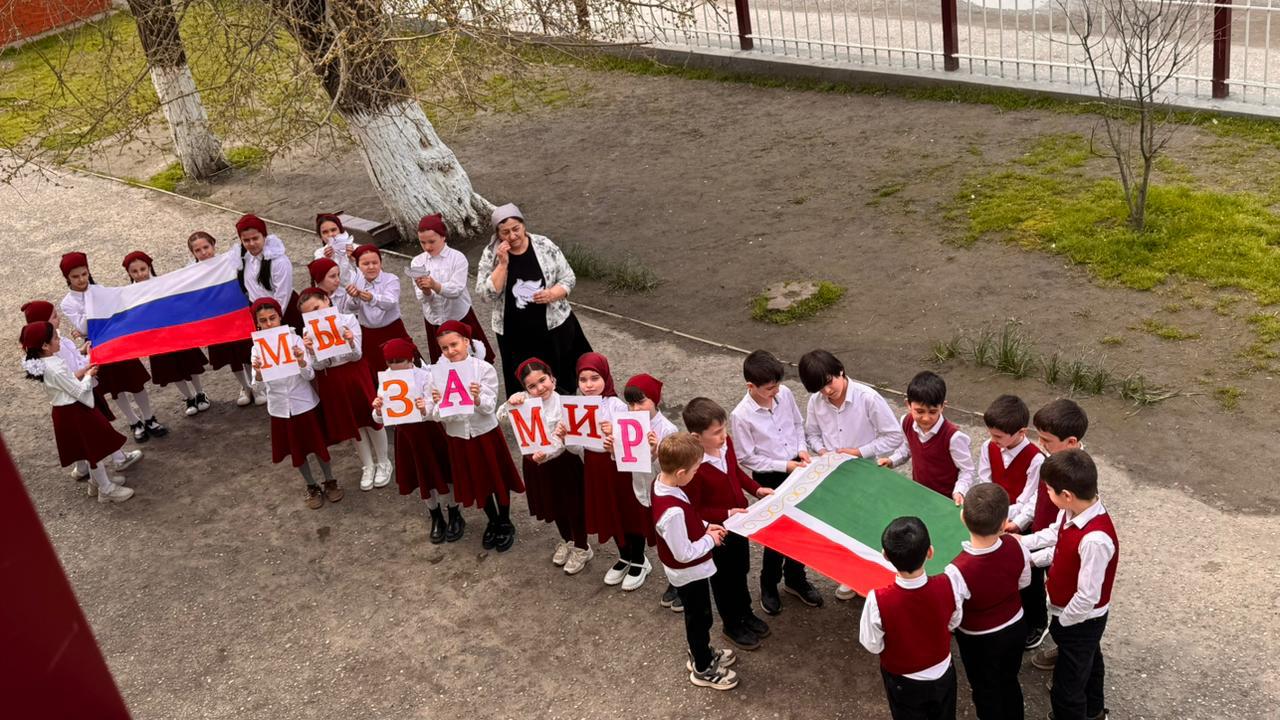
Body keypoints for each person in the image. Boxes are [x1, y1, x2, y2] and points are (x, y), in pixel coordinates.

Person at [1018, 450, 1117, 720]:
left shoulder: (1095, 540)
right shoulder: (1072, 511)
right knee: (1089, 662)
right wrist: (1024, 547)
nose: (1047, 494)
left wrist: (1063, 623)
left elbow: (1087, 597)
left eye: (1049, 490)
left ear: (1066, 495)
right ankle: (1095, 711)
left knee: (1067, 687)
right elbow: (1057, 540)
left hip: (1080, 620)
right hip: (1071, 614)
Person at [799, 349, 904, 600]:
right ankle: (852, 576)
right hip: (834, 474)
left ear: (840, 371)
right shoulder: (816, 402)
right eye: (820, 388)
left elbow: (893, 436)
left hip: (867, 472)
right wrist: (823, 451)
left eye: (829, 383)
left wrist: (859, 452)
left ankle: (880, 579)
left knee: (873, 523)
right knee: (843, 525)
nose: (827, 391)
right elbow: (811, 434)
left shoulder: (868, 398)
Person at [729, 350, 823, 616]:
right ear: (751, 386)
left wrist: (801, 449)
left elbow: (797, 424)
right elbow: (747, 457)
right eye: (769, 388)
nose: (776, 391)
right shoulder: (741, 415)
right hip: (771, 475)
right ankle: (769, 585)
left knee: (801, 527)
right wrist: (785, 465)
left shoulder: (786, 395)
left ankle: (796, 578)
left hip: (797, 465)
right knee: (778, 534)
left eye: (777, 385)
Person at [682, 397, 774, 651]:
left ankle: (745, 612)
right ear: (696, 437)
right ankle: (731, 624)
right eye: (716, 432)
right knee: (724, 579)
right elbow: (694, 509)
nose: (724, 436)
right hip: (718, 532)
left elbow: (736, 473)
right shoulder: (694, 468)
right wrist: (726, 513)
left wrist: (756, 489)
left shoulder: (726, 444)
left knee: (741, 569)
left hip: (739, 523)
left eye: (724, 429)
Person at [475, 203, 592, 396]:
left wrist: (552, 294)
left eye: (516, 229)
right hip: (515, 335)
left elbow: (568, 278)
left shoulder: (544, 245)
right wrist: (502, 264)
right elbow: (485, 295)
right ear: (498, 234)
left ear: (524, 225)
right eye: (505, 232)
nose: (512, 236)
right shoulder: (492, 254)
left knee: (562, 378)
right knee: (525, 384)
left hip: (553, 328)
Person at [651, 431, 738, 691]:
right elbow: (684, 552)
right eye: (695, 469)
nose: (697, 473)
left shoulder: (664, 485)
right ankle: (703, 667)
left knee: (699, 617)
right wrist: (710, 539)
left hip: (688, 571)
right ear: (681, 473)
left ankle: (701, 651)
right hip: (689, 573)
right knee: (699, 618)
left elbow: (688, 518)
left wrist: (705, 524)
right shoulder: (672, 511)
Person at [20, 300, 142, 482]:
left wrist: (82, 353)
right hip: (82, 393)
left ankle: (84, 467)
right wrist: (88, 367)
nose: (58, 318)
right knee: (98, 429)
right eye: (54, 316)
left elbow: (70, 366)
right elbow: (70, 377)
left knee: (84, 436)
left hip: (76, 392)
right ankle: (114, 466)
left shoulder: (51, 345)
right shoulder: (55, 350)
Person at [428, 320, 524, 551]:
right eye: (444, 348)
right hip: (459, 437)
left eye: (454, 344)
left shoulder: (483, 369)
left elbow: (489, 407)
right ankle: (492, 520)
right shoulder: (437, 374)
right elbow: (435, 414)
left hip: (485, 433)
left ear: (466, 342)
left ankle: (505, 520)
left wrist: (478, 398)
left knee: (497, 477)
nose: (450, 351)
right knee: (479, 479)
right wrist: (440, 403)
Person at [561, 352, 653, 590]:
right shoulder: (576, 407)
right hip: (594, 468)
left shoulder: (618, 406)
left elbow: (634, 443)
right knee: (608, 512)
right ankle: (624, 556)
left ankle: (639, 559)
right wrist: (566, 437)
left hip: (619, 469)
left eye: (595, 378)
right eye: (583, 380)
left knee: (628, 512)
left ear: (606, 377)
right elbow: (577, 448)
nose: (589, 385)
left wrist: (615, 439)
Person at [859, 516, 962, 720]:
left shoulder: (878, 599)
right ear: (930, 552)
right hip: (943, 672)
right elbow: (954, 621)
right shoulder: (949, 584)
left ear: (885, 555)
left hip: (903, 680)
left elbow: (872, 644)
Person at [58, 251, 167, 443]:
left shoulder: (101, 290)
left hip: (117, 341)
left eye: (84, 274)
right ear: (67, 278)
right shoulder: (68, 303)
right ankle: (134, 421)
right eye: (75, 276)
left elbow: (118, 310)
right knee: (116, 389)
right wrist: (92, 305)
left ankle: (149, 418)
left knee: (136, 383)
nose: (81, 279)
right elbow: (83, 327)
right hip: (99, 348)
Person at [944, 484, 1031, 720]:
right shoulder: (1017, 545)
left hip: (978, 638)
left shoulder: (956, 570)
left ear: (963, 518)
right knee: (1009, 680)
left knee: (985, 688)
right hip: (1015, 625)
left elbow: (954, 615)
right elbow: (1023, 581)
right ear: (1004, 522)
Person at [499, 358, 590, 573]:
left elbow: (560, 441)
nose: (539, 388)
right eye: (532, 386)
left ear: (553, 379)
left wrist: (545, 456)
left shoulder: (565, 405)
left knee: (572, 505)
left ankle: (582, 547)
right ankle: (568, 540)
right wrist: (510, 402)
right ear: (525, 388)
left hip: (563, 463)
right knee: (554, 504)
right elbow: (501, 417)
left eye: (542, 380)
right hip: (537, 463)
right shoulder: (525, 402)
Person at [298, 286, 392, 491]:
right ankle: (368, 465)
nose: (315, 314)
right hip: (331, 379)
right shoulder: (307, 332)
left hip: (355, 374)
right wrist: (312, 352)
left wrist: (349, 341)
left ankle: (384, 461)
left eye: (317, 307)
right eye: (308, 313)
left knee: (371, 418)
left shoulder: (348, 320)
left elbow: (357, 355)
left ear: (326, 300)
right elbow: (319, 366)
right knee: (353, 423)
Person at [249, 298, 338, 509]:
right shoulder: (256, 349)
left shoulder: (295, 340)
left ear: (280, 317)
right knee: (298, 451)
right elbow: (258, 388)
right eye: (263, 320)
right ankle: (311, 485)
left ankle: (330, 480)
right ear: (257, 324)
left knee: (318, 445)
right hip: (280, 407)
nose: (269, 324)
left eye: (272, 318)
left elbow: (309, 375)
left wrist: (301, 361)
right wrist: (259, 373)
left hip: (304, 402)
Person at [976, 394, 1048, 650]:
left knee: (1031, 576)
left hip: (1020, 524)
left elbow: (1031, 500)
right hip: (996, 517)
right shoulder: (988, 447)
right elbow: (984, 480)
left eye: (998, 436)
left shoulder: (1036, 459)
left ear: (1021, 432)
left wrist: (1015, 522)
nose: (993, 440)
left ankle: (1038, 622)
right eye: (991, 434)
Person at [373, 338, 461, 544]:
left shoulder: (425, 376)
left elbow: (435, 408)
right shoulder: (385, 380)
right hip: (407, 437)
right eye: (391, 362)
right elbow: (380, 418)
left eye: (400, 361)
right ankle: (435, 515)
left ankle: (454, 512)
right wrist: (378, 410)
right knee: (423, 477)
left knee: (444, 473)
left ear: (411, 359)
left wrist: (425, 408)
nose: (395, 366)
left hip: (429, 432)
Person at [1024, 399, 1090, 672]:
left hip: (1061, 548)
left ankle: (1065, 650)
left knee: (1065, 600)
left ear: (1071, 442)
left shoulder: (1080, 477)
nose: (1040, 444)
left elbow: (1066, 533)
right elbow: (1036, 498)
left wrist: (1035, 551)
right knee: (1042, 586)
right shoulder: (1052, 460)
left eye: (1046, 440)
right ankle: (1047, 629)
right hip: (1045, 534)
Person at [122, 251, 211, 417]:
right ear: (129, 273)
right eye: (134, 271)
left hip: (176, 333)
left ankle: (200, 392)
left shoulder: (162, 283)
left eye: (143, 269)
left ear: (149, 267)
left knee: (189, 364)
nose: (140, 274)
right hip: (156, 339)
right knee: (172, 370)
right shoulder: (129, 293)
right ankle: (189, 397)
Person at [621, 373, 682, 609]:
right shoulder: (627, 424)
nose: (636, 409)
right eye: (631, 404)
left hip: (664, 495)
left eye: (641, 402)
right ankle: (672, 578)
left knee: (671, 537)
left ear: (655, 400)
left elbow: (673, 471)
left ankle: (680, 582)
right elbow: (624, 459)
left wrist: (657, 454)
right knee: (657, 537)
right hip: (641, 491)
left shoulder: (667, 429)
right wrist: (613, 448)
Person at [880, 371, 976, 503]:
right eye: (919, 411)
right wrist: (891, 460)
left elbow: (967, 470)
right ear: (908, 404)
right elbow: (907, 449)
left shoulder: (953, 437)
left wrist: (959, 491)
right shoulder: (906, 422)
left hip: (945, 499)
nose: (926, 418)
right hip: (919, 491)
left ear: (942, 407)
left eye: (932, 412)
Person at [411, 213, 494, 364]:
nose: (427, 247)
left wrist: (435, 285)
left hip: (459, 317)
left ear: (443, 237)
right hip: (435, 320)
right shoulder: (417, 262)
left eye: (432, 241)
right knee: (444, 363)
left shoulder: (457, 258)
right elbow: (422, 298)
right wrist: (425, 290)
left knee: (475, 360)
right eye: (422, 242)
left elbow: (456, 290)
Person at [188, 232, 256, 407]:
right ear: (193, 253)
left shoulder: (228, 262)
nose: (204, 252)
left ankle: (256, 385)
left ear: (213, 245)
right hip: (216, 320)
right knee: (232, 357)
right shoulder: (191, 273)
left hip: (236, 315)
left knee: (246, 352)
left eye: (206, 247)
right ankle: (244, 387)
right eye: (198, 250)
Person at [346, 244, 420, 382]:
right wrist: (354, 297)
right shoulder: (355, 281)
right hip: (369, 334)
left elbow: (391, 302)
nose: (371, 267)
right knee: (375, 369)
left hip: (392, 330)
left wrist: (373, 298)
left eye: (375, 262)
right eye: (365, 264)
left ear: (381, 263)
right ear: (358, 266)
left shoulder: (391, 279)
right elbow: (351, 308)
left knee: (404, 363)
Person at [236, 214, 303, 332]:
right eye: (246, 240)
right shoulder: (244, 259)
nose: (251, 243)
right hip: (261, 317)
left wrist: (272, 322)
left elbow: (282, 294)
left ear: (264, 236)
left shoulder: (279, 261)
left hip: (282, 313)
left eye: (255, 238)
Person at [312, 213, 357, 287]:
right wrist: (327, 261)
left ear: (340, 230)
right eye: (325, 232)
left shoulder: (355, 248)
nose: (331, 234)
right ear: (321, 237)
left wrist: (353, 260)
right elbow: (320, 283)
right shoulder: (320, 254)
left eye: (333, 230)